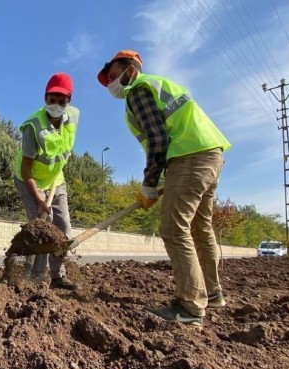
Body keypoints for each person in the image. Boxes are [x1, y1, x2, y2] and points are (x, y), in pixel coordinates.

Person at [97, 50, 232, 328]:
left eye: (113, 76)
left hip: (189, 157)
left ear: (130, 70)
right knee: (199, 227)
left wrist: (149, 182)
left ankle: (190, 307)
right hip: (211, 153)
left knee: (173, 228)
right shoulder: (159, 85)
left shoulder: (138, 90)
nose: (111, 84)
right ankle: (213, 293)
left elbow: (157, 139)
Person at [14, 72, 79, 290]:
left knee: (64, 229)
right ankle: (36, 279)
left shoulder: (74, 117)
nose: (57, 105)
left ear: (69, 102)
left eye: (62, 101)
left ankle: (58, 277)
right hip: (29, 180)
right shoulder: (33, 128)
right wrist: (39, 199)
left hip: (56, 180)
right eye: (52, 99)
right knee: (42, 230)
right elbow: (26, 170)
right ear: (45, 99)